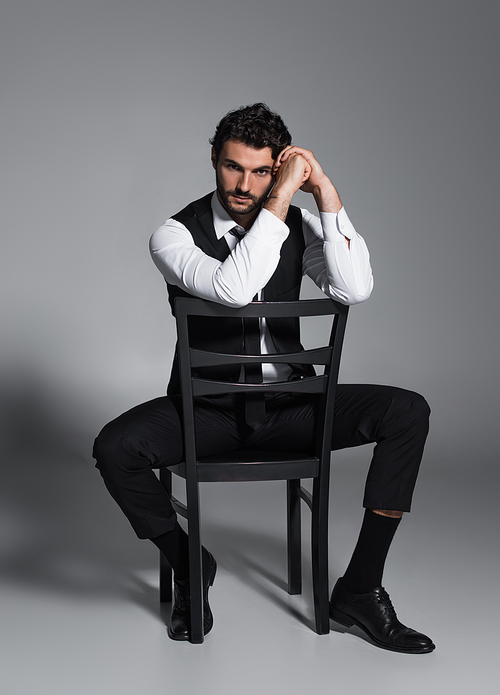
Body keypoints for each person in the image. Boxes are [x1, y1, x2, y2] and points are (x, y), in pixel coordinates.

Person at [93, 103, 434, 653]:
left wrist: (324, 193)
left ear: (277, 169)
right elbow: (232, 287)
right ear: (213, 160)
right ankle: (189, 561)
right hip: (207, 416)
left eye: (260, 172)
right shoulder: (173, 236)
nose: (244, 185)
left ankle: (361, 589)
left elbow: (354, 288)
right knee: (114, 447)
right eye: (232, 167)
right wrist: (283, 197)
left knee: (407, 410)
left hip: (290, 408)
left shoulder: (298, 226)